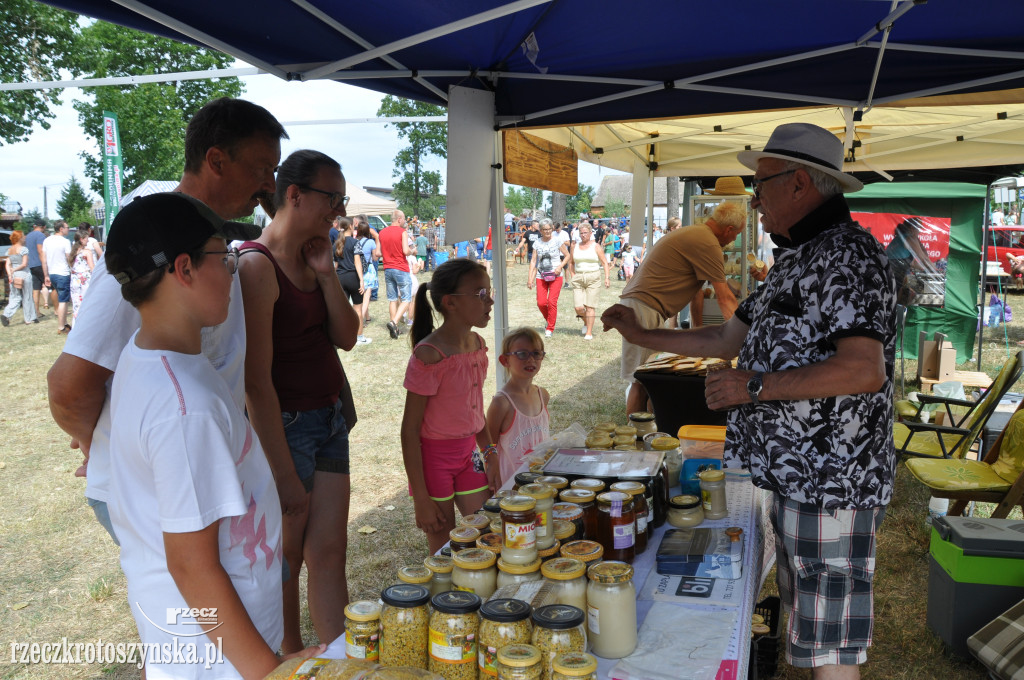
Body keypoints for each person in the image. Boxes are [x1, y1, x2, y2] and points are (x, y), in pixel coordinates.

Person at [602, 122, 896, 679]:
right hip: (796, 477)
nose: (753, 198)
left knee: (830, 644)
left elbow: (863, 369)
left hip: (832, 482)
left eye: (760, 183)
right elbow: (722, 339)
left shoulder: (849, 258)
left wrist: (754, 385)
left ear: (801, 183)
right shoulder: (794, 259)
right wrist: (643, 337)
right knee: (809, 625)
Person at [46, 96, 288, 549]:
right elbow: (68, 385)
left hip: (194, 480)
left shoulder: (206, 238)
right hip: (163, 494)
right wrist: (109, 447)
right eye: (261, 169)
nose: (268, 185)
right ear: (216, 159)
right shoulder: (154, 241)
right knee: (198, 616)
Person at [100, 192, 315, 679]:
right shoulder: (183, 407)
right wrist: (268, 672)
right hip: (214, 660)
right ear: (185, 268)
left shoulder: (155, 360)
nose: (233, 273)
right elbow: (192, 566)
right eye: (225, 258)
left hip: (219, 643)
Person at [239, 149, 360, 653]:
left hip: (329, 416)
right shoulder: (255, 265)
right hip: (286, 427)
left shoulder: (315, 257)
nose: (339, 210)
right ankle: (290, 656)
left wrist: (327, 273)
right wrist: (284, 474)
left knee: (330, 552)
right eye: (332, 198)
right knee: (284, 558)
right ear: (294, 195)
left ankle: (343, 657)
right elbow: (256, 383)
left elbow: (348, 337)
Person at [611, 200, 747, 415]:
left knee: (652, 378)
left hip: (644, 308)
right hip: (641, 309)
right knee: (641, 379)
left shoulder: (697, 235)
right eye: (736, 234)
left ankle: (651, 432)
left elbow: (696, 293)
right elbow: (725, 298)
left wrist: (697, 330)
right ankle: (633, 439)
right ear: (729, 229)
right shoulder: (707, 242)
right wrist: (742, 339)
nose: (734, 239)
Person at [401, 259, 494, 553]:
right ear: (450, 303)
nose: (490, 300)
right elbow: (409, 430)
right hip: (434, 463)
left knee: (482, 536)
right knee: (443, 549)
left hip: (470, 456)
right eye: (480, 294)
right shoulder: (430, 355)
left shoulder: (478, 345)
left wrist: (489, 453)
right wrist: (420, 498)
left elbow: (476, 411)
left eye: (489, 292)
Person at [485, 327, 551, 488]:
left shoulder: (543, 395)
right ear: (505, 361)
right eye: (522, 354)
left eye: (536, 353)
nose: (531, 360)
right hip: (511, 486)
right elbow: (489, 448)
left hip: (541, 481)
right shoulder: (501, 403)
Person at [528, 218, 571, 338]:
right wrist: (530, 278)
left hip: (556, 275)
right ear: (540, 230)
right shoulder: (537, 243)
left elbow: (567, 256)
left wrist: (560, 267)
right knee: (541, 303)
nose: (547, 231)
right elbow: (533, 261)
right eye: (545, 229)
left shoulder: (557, 241)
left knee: (552, 302)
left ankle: (550, 327)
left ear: (552, 228)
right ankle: (549, 320)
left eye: (549, 229)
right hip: (541, 275)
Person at [568, 221, 611, 340]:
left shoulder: (596, 246)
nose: (583, 235)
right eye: (581, 233)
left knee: (590, 306)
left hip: (593, 277)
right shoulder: (574, 246)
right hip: (579, 278)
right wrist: (573, 275)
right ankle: (586, 322)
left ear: (591, 233)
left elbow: (604, 263)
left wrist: (607, 278)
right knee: (578, 308)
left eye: (585, 233)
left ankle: (589, 333)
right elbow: (571, 263)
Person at [334, 216, 372, 345]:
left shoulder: (336, 243)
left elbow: (335, 265)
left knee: (343, 310)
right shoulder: (355, 243)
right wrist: (361, 280)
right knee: (358, 310)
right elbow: (357, 263)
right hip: (353, 278)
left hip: (340, 278)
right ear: (351, 226)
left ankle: (342, 336)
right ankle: (359, 337)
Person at [380, 209, 415, 339]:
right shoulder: (402, 232)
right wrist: (412, 251)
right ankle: (393, 322)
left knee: (392, 299)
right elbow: (406, 251)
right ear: (399, 219)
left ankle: (394, 329)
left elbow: (378, 253)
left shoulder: (382, 232)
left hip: (388, 268)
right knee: (406, 299)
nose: (405, 221)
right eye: (404, 218)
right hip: (400, 268)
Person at [42, 220, 72, 334]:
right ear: (61, 229)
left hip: (52, 273)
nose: (68, 229)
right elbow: (68, 258)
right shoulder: (65, 241)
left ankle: (64, 323)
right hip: (63, 273)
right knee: (63, 301)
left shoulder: (47, 240)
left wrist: (46, 275)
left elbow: (44, 259)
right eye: (67, 227)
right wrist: (72, 268)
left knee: (61, 298)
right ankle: (61, 326)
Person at [2, 230, 37, 325]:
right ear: (19, 238)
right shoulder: (23, 249)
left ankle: (6, 314)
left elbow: (7, 264)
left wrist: (10, 274)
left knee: (15, 297)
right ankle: (29, 318)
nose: (25, 237)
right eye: (23, 236)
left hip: (14, 277)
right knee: (27, 296)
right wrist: (15, 269)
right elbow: (24, 264)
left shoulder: (9, 250)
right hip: (24, 275)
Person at [68, 227, 95, 322]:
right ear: (82, 239)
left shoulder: (73, 252)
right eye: (87, 238)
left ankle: (76, 323)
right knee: (87, 302)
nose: (88, 240)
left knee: (76, 304)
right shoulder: (87, 252)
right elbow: (92, 267)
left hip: (75, 279)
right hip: (85, 279)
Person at [25, 220, 47, 316]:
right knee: (52, 286)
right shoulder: (40, 235)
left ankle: (36, 311)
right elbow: (40, 250)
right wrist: (44, 264)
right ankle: (57, 310)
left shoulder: (28, 236)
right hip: (39, 264)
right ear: (44, 227)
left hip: (31, 265)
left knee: (36, 288)